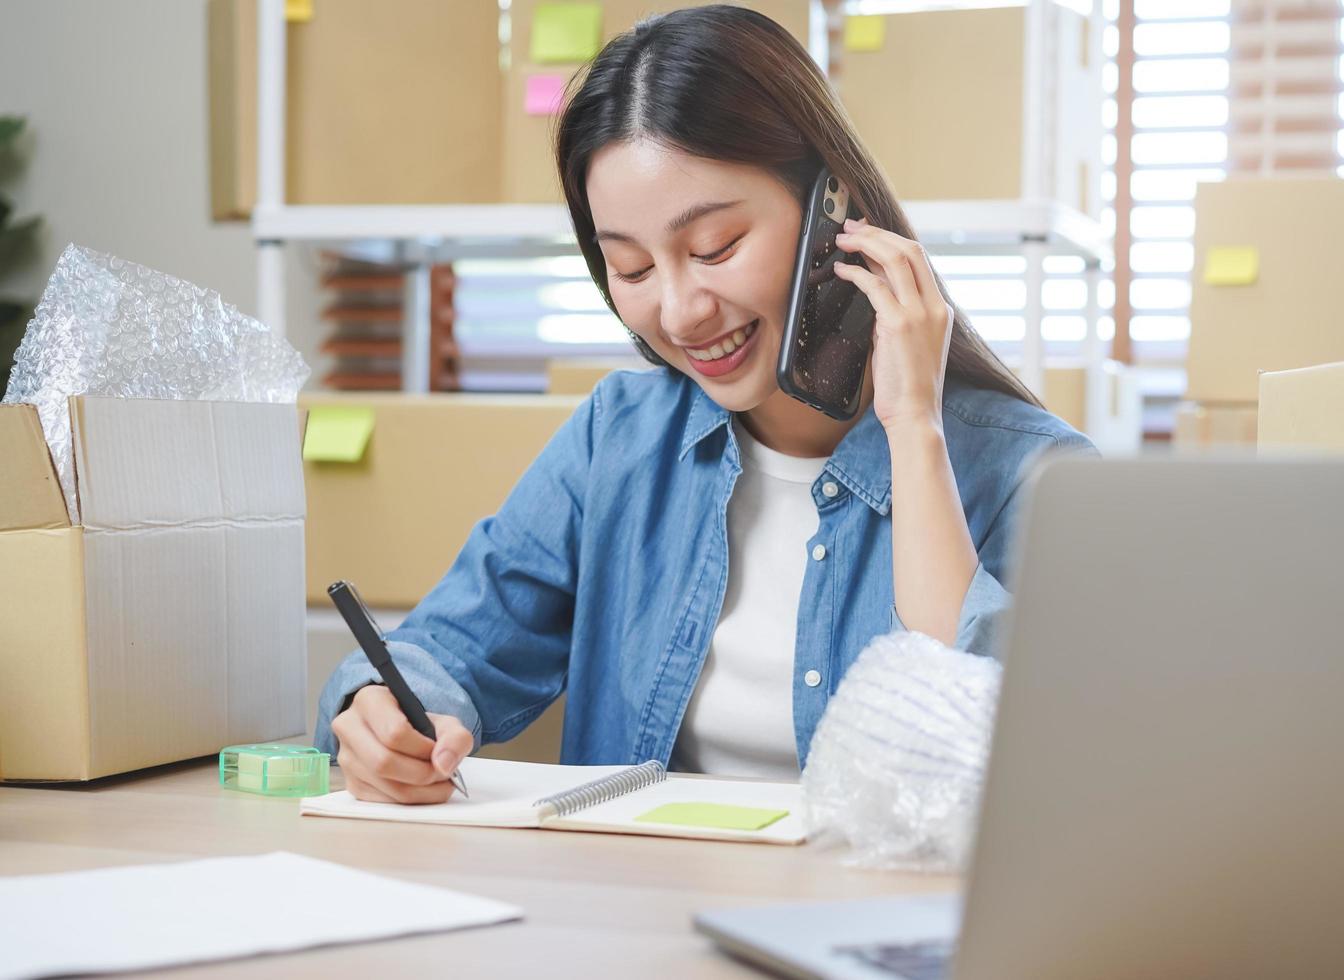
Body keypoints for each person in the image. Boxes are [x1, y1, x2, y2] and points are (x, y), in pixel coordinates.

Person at [315, 4, 1093, 804]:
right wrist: (377, 714)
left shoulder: (1039, 476)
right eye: (632, 268)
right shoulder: (618, 438)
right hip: (642, 912)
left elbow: (991, 776)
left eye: (715, 248)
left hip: (883, 919)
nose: (682, 312)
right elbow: (450, 649)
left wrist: (914, 431)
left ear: (835, 209)